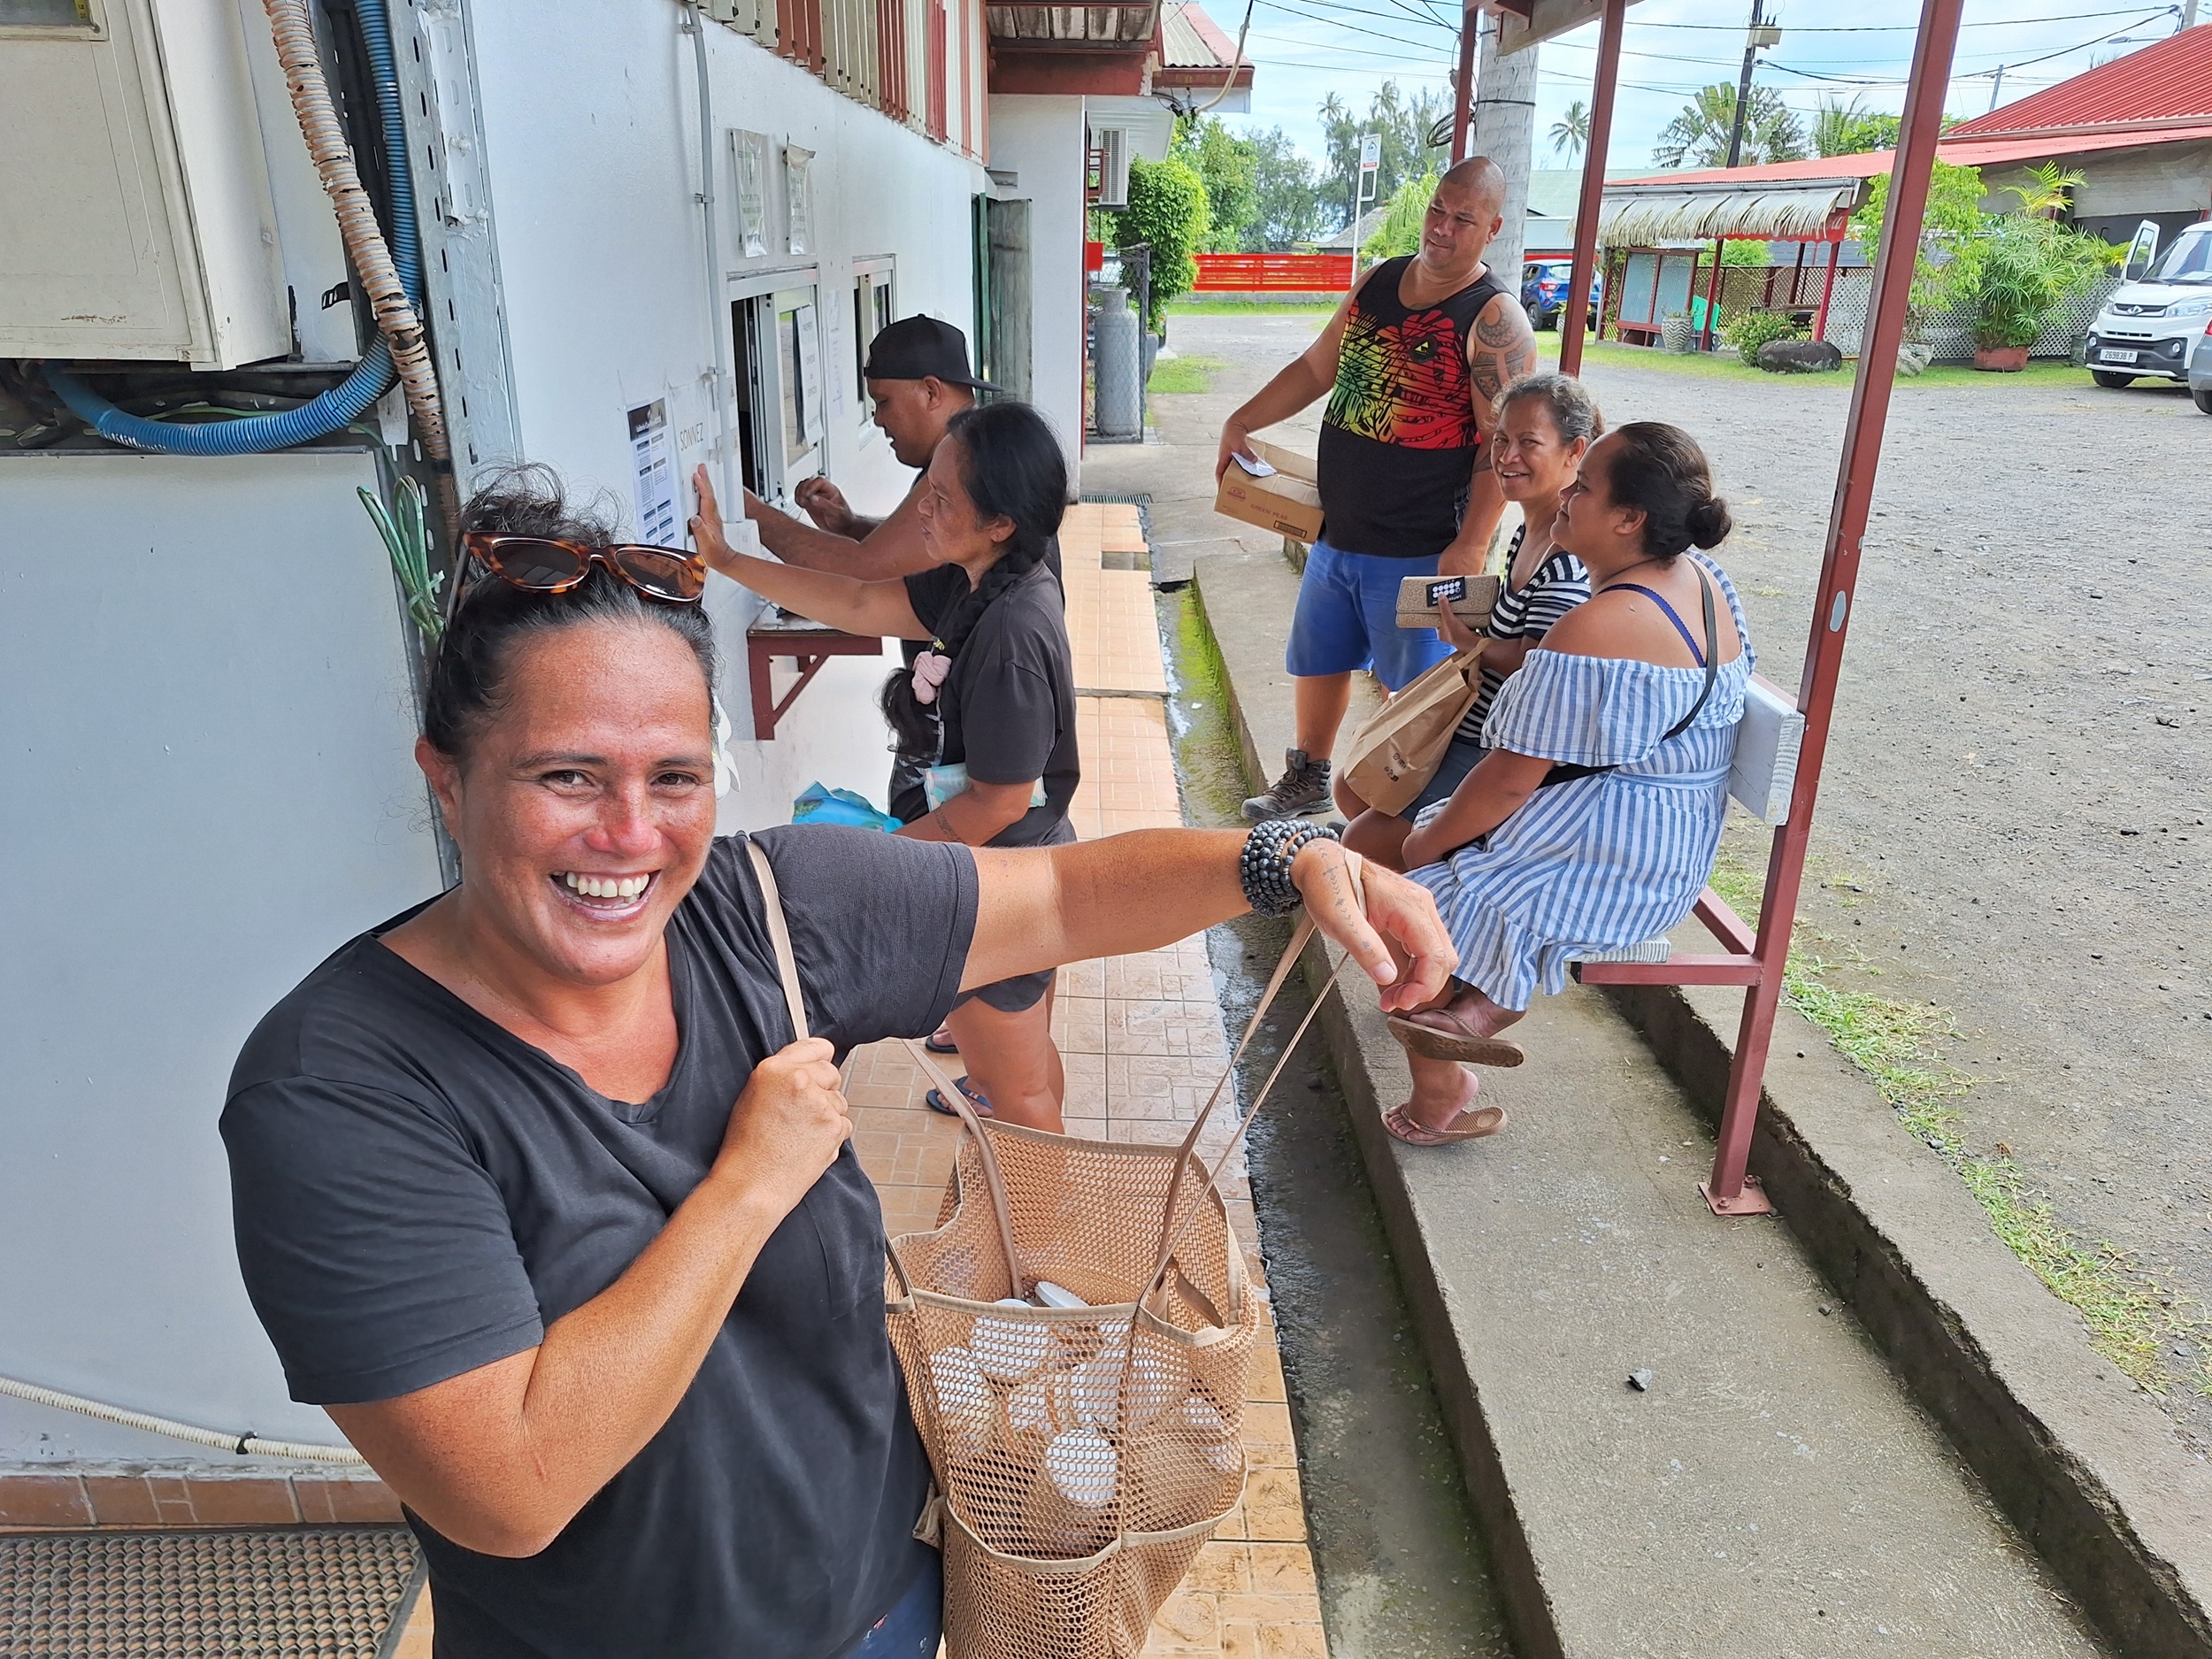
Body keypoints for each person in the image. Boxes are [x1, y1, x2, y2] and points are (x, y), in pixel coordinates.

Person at [221, 465, 1453, 1659]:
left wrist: (1286, 857)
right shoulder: (341, 1086)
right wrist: (751, 1182)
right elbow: (513, 1488)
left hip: (886, 1603)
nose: (631, 835)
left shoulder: (769, 908)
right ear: (447, 775)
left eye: (674, 778)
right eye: (566, 776)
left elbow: (1067, 894)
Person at [691, 403, 1078, 1132]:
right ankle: (1024, 1223)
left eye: (940, 499)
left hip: (998, 880)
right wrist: (732, 562)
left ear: (1000, 521)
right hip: (1006, 864)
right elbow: (862, 599)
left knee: (1012, 1092)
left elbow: (997, 802)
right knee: (1022, 1069)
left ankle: (1034, 1239)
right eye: (924, 488)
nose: (919, 511)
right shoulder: (982, 575)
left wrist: (880, 863)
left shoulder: (1011, 635)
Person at [1377, 423, 1753, 1146]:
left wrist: (1426, 844)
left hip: (1612, 852)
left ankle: (1447, 1070)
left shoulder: (1598, 626)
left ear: (1628, 519)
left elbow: (1510, 784)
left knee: (1405, 898)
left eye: (1584, 487)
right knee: (1418, 877)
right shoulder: (1706, 584)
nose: (1566, 498)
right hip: (1668, 834)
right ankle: (1466, 1013)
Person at [1217, 157, 1540, 821]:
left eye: (1464, 219)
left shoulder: (1494, 320)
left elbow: (1498, 445)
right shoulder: (1381, 280)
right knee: (1320, 658)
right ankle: (1307, 777)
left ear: (1493, 229)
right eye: (1438, 211)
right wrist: (1242, 419)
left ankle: (1394, 819)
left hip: (1422, 545)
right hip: (1339, 529)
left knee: (1416, 695)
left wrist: (1472, 544)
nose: (1443, 229)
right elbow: (1317, 366)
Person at [743, 315, 1015, 825]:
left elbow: (866, 575)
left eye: (884, 403)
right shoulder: (972, 453)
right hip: (946, 721)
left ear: (931, 392)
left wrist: (751, 515)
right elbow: (912, 556)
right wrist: (848, 524)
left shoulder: (970, 463)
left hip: (962, 739)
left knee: (930, 871)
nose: (880, 421)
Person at [1338, 373, 1602, 869]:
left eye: (1529, 442)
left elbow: (1536, 664)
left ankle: (1423, 916)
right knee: (1352, 786)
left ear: (1575, 452)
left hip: (1501, 748)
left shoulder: (1565, 554)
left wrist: (1467, 641)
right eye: (1501, 440)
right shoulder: (1530, 532)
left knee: (1360, 843)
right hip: (1470, 722)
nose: (1507, 457)